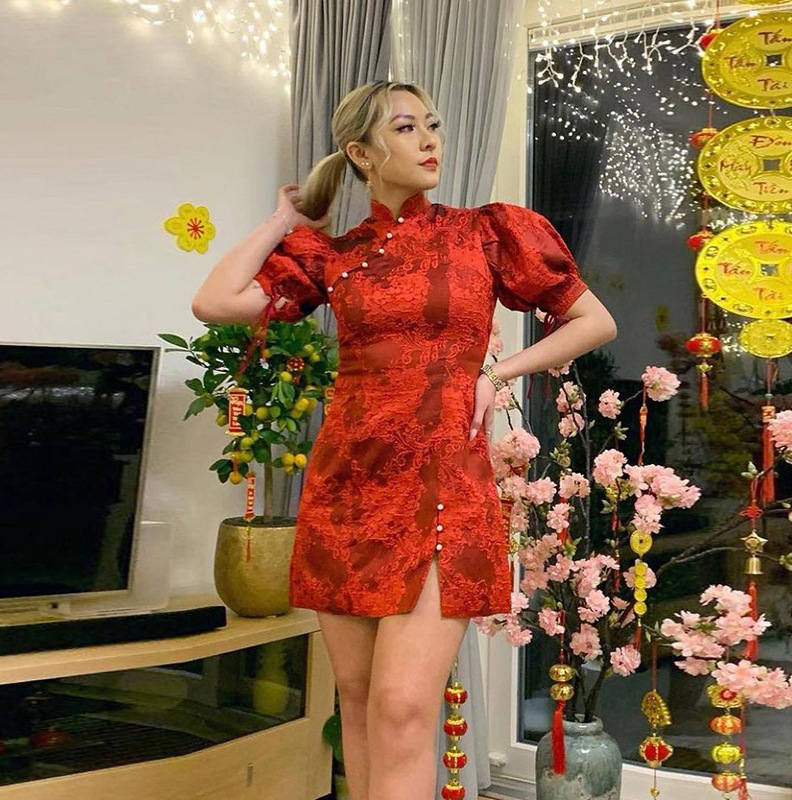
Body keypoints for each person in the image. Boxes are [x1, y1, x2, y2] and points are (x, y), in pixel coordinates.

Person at [192, 80, 616, 800]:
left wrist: (497, 372)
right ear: (362, 153)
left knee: (400, 709)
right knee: (357, 705)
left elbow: (594, 321)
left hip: (442, 485)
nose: (429, 140)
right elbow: (214, 301)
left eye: (432, 125)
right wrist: (282, 218)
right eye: (406, 127)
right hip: (345, 489)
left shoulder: (483, 232)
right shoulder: (334, 254)